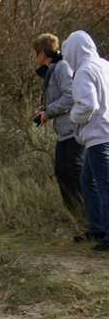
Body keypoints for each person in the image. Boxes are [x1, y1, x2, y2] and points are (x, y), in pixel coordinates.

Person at [31, 34, 86, 226]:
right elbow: (60, 99)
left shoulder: (62, 67)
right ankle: (75, 215)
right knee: (61, 171)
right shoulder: (51, 70)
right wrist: (45, 111)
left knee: (73, 171)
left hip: (73, 129)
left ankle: (88, 215)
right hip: (63, 131)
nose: (34, 57)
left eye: (35, 53)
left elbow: (71, 96)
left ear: (42, 53)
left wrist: (49, 112)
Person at [62, 30, 109, 252]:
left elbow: (88, 105)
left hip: (100, 137)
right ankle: (97, 228)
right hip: (101, 135)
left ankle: (106, 234)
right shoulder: (104, 65)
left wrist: (74, 117)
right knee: (88, 181)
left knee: (103, 186)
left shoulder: (84, 71)